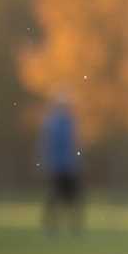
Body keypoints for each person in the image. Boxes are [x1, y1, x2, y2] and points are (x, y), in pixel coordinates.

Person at [40, 88, 83, 233]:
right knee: (60, 197)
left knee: (67, 197)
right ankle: (57, 226)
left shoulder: (68, 121)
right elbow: (55, 145)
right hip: (60, 166)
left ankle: (69, 226)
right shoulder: (57, 122)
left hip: (68, 165)